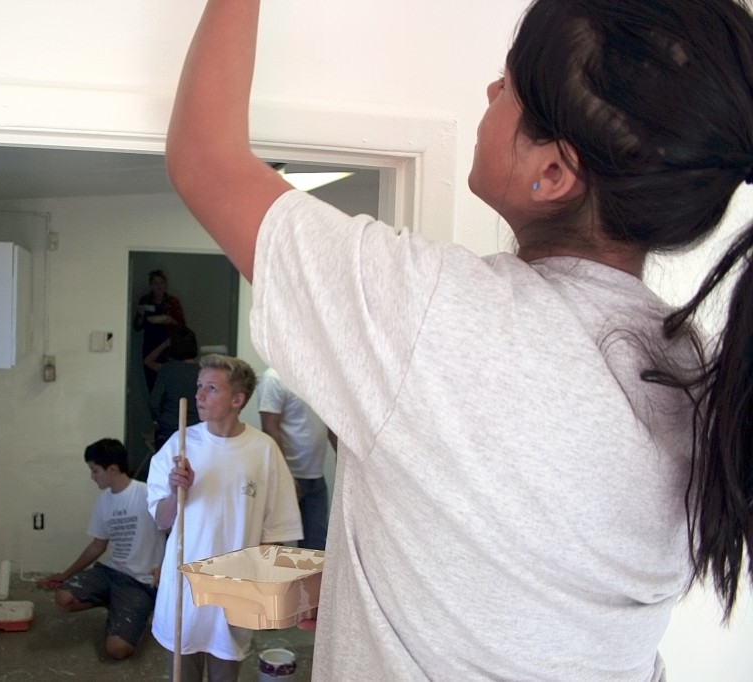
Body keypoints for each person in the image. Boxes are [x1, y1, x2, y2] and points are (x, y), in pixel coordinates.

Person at [163, 0, 753, 680]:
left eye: (508, 86)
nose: (490, 92)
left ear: (554, 174)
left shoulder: (438, 316)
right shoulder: (685, 367)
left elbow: (205, 161)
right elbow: (533, 576)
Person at [147, 354, 302, 682]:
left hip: (236, 589)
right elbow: (161, 519)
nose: (200, 395)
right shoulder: (181, 445)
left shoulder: (263, 451)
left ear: (237, 400)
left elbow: (276, 529)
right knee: (183, 671)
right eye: (199, 387)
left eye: (211, 388)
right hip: (185, 590)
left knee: (225, 673)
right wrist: (177, 492)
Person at [38, 438, 166, 660]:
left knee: (117, 650)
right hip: (111, 573)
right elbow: (98, 545)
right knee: (63, 599)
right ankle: (114, 603)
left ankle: (129, 611)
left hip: (140, 583)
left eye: (95, 471)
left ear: (112, 469)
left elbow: (175, 532)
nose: (92, 477)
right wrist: (66, 575)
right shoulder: (103, 501)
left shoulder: (147, 494)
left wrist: (165, 568)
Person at [257, 366, 334, 551]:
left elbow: (332, 424)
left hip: (315, 477)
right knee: (274, 546)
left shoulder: (321, 377)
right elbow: (269, 428)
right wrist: (285, 476)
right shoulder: (274, 378)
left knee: (316, 549)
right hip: (286, 477)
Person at [148, 326, 202, 453]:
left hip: (169, 428)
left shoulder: (166, 369)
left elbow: (154, 402)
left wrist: (165, 344)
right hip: (197, 428)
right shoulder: (203, 372)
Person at [133, 269, 186, 392]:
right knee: (151, 383)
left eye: (161, 283)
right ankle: (154, 410)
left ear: (165, 284)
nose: (158, 286)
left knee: (168, 383)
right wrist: (140, 315)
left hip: (169, 347)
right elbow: (137, 327)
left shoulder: (172, 302)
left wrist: (171, 320)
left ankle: (168, 410)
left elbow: (183, 327)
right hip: (150, 346)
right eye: (155, 283)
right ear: (151, 285)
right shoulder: (145, 301)